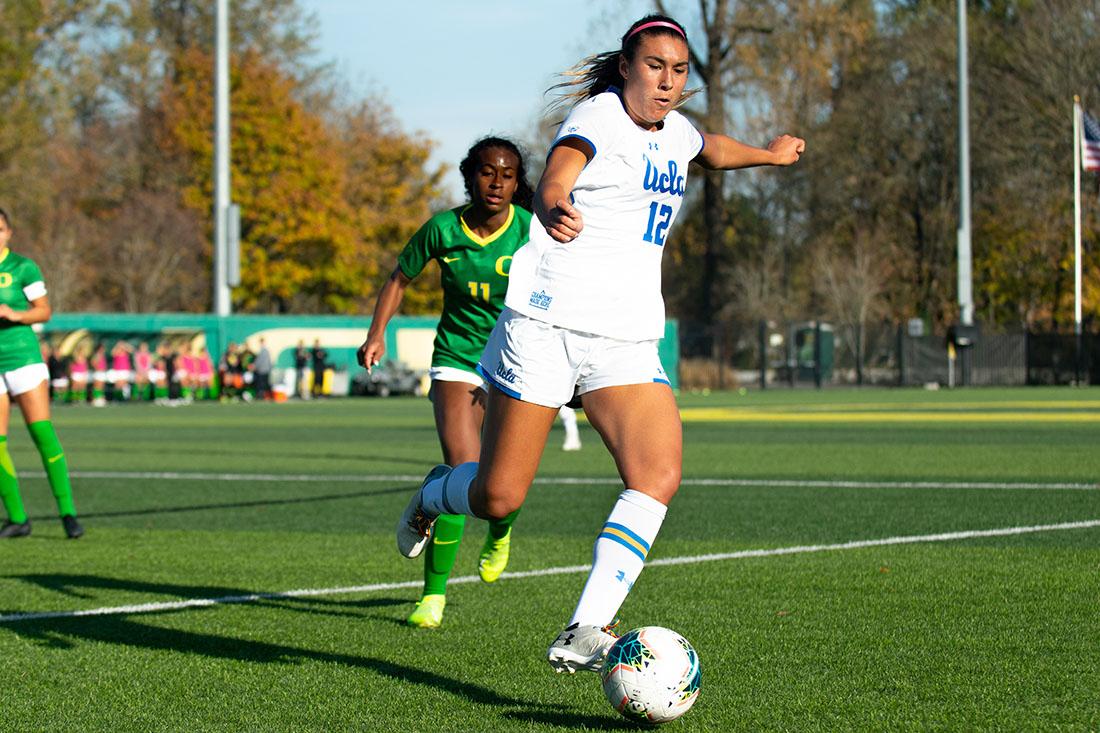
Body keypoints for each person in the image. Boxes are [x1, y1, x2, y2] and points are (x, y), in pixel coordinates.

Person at [394, 14, 804, 670]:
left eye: (678, 70)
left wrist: (771, 156)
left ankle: (586, 624)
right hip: (547, 326)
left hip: (627, 334)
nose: (667, 82)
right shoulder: (600, 116)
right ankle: (436, 492)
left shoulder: (677, 132)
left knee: (659, 474)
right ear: (626, 67)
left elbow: (712, 148)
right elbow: (563, 168)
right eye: (654, 67)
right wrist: (553, 201)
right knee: (499, 496)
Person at [359, 136, 543, 629]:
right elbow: (399, 278)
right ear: (470, 176)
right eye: (487, 172)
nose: (497, 182)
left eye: (508, 174)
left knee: (502, 481)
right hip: (457, 359)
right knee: (464, 465)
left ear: (517, 181)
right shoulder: (442, 229)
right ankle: (433, 596)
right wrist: (377, 335)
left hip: (514, 360)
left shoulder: (532, 229)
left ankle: (500, 531)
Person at [0, 207, 84, 538]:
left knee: (42, 433)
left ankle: (67, 512)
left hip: (23, 358)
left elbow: (44, 311)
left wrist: (13, 314)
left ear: (9, 232)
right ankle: (18, 518)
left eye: (0, 228)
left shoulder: (22, 267)